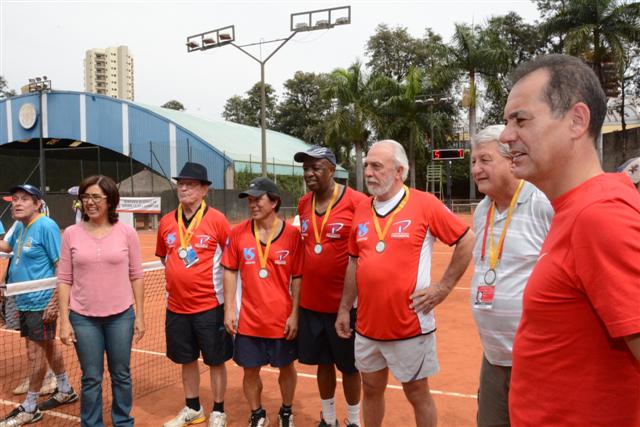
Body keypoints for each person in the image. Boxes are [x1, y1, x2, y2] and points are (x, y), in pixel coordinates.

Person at [500, 54, 640, 426]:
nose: (505, 135)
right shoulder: (576, 211)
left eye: (521, 120)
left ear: (576, 120)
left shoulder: (599, 216)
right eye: (506, 122)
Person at [336, 140, 474, 427]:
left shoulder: (424, 204)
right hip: (368, 325)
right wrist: (344, 308)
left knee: (417, 392)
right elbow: (353, 261)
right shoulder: (362, 209)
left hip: (410, 325)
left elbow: (466, 240)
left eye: (377, 166)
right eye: (366, 166)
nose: (369, 173)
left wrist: (443, 287)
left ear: (399, 171)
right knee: (371, 388)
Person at [469, 125, 553, 426]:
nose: (476, 169)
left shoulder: (543, 203)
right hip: (493, 358)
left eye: (485, 160)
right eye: (474, 162)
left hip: (539, 361)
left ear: (510, 161)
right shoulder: (482, 211)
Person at [57, 175, 145, 427]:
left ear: (110, 200)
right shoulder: (71, 234)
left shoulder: (127, 233)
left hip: (121, 316)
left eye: (96, 197)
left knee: (121, 375)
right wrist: (65, 320)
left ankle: (123, 422)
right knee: (91, 378)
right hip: (83, 319)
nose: (90, 202)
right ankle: (91, 423)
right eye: (85, 197)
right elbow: (64, 279)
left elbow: (136, 275)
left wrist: (140, 315)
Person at [293, 146, 367, 427]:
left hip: (344, 307)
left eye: (316, 168)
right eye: (306, 169)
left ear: (332, 170)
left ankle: (354, 421)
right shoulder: (303, 204)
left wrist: (349, 305)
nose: (309, 173)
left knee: (349, 367)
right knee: (323, 364)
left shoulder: (358, 202)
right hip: (311, 305)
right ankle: (329, 418)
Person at [156, 162, 233, 427]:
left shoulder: (218, 220)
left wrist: (232, 306)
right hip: (176, 308)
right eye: (181, 183)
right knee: (186, 360)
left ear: (204, 190)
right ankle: (193, 408)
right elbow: (166, 260)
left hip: (210, 307)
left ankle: (218, 411)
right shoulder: (166, 222)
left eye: (190, 184)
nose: (184, 188)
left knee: (216, 361)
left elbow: (231, 262)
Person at [222, 177, 303, 427]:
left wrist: (295, 315)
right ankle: (257, 414)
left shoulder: (292, 235)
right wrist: (228, 310)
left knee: (286, 367)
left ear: (274, 201)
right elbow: (228, 271)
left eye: (258, 198)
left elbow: (298, 277)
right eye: (250, 199)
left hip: (281, 318)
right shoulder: (237, 233)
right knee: (249, 370)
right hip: (249, 319)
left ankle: (286, 410)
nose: (252, 203)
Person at [0, 184, 75, 427]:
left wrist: (55, 302)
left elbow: (61, 266)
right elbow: (8, 249)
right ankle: (65, 388)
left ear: (38, 203)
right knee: (48, 347)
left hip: (40, 302)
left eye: (24, 199)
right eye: (15, 200)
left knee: (35, 353)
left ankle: (30, 407)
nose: (17, 203)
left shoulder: (46, 226)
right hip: (24, 300)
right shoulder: (20, 226)